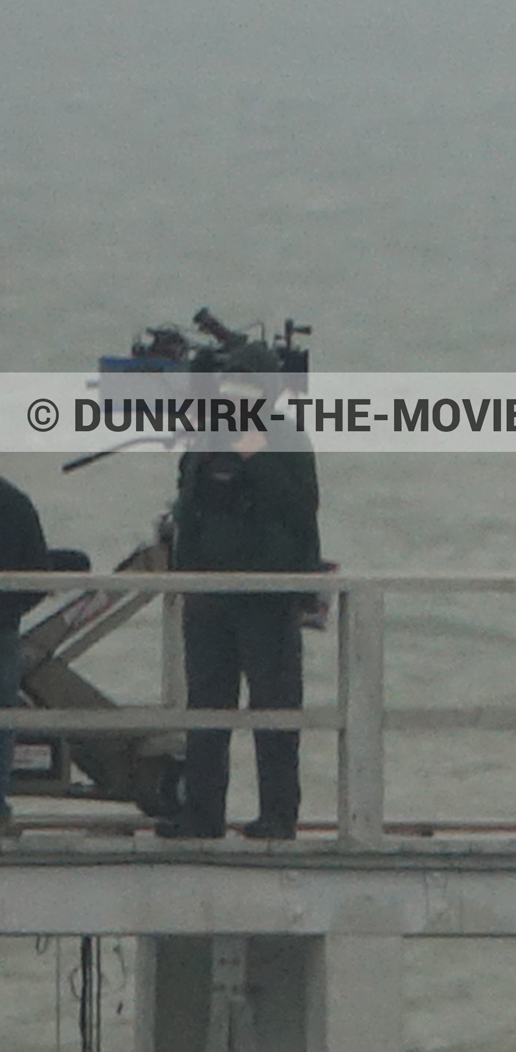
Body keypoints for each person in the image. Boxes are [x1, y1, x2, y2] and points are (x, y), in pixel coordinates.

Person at [158, 348, 322, 840]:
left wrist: (257, 454)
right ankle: (202, 813)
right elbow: (191, 501)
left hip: (265, 596)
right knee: (207, 709)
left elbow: (302, 510)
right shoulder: (207, 437)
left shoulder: (285, 434)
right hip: (208, 594)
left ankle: (277, 815)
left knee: (273, 709)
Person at [0, 476, 53, 830]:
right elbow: (38, 572)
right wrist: (10, 609)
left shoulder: (14, 502)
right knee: (3, 715)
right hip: (3, 626)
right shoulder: (14, 502)